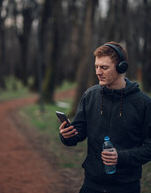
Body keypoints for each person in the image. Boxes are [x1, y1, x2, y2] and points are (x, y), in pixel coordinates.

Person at [59, 41, 151, 193]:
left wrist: (120, 157)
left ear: (122, 67)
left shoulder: (143, 103)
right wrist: (67, 135)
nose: (98, 72)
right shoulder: (90, 95)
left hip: (126, 187)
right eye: (96, 66)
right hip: (91, 184)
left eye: (104, 67)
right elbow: (79, 132)